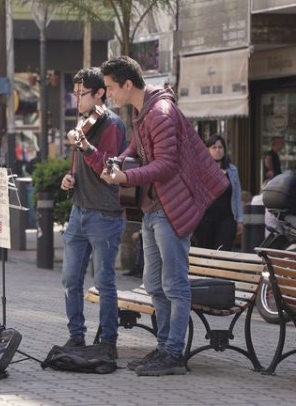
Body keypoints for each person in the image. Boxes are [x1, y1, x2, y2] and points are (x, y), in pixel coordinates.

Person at [99, 56, 229, 376]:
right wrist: (119, 160)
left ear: (128, 85)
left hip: (171, 209)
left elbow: (167, 164)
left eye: (111, 88)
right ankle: (163, 347)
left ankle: (173, 354)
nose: (109, 95)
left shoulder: (160, 113)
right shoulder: (143, 112)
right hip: (153, 209)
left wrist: (126, 179)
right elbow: (136, 148)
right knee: (153, 283)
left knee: (174, 285)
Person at [59, 67, 126, 358]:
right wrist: (69, 177)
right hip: (79, 211)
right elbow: (80, 165)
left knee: (104, 282)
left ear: (100, 93)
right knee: (70, 279)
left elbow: (108, 170)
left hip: (105, 215)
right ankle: (76, 337)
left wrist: (85, 146)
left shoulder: (113, 125)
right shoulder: (83, 122)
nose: (77, 100)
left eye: (81, 94)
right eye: (74, 94)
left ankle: (108, 342)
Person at [193, 135, 244, 251]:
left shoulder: (232, 170)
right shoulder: (201, 170)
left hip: (227, 218)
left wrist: (240, 220)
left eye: (220, 147)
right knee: (205, 253)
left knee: (223, 252)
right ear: (207, 150)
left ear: (225, 150)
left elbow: (237, 196)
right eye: (214, 147)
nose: (217, 150)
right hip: (205, 219)